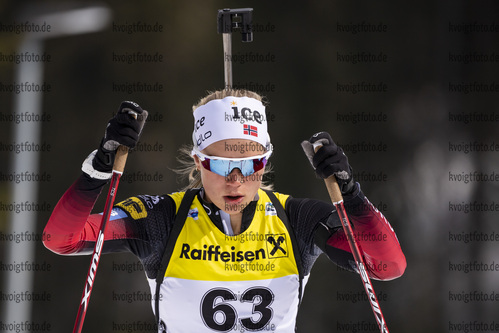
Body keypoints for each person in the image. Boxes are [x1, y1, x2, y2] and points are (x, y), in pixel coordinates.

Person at [43, 89, 406, 333]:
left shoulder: (297, 219)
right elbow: (61, 239)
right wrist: (99, 170)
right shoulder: (161, 219)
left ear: (265, 163)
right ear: (199, 162)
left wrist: (352, 195)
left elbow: (388, 266)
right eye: (220, 165)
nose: (236, 181)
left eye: (250, 165)